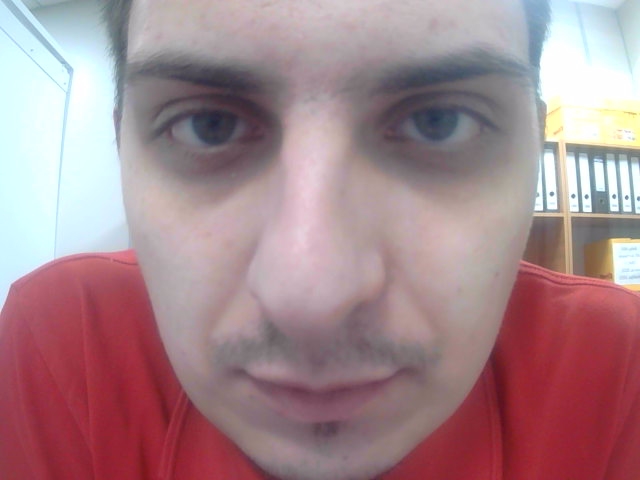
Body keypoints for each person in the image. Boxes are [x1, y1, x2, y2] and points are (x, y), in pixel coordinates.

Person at [1, 0, 639, 478]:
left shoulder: (619, 372)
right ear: (121, 147)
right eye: (209, 124)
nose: (312, 297)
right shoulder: (64, 346)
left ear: (534, 147)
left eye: (438, 121)